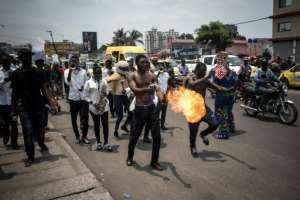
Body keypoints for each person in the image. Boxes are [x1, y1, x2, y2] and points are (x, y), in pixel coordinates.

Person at [11, 49, 57, 164]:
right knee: (28, 131)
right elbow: (15, 93)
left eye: (29, 56)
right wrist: (13, 111)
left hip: (38, 105)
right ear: (20, 59)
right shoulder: (16, 74)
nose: (28, 58)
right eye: (25, 56)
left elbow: (44, 89)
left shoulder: (38, 72)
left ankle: (41, 143)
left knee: (40, 129)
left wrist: (52, 103)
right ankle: (30, 155)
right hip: (24, 107)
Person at [127, 55, 164, 171]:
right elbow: (135, 90)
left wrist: (162, 98)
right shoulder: (132, 75)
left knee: (157, 137)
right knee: (134, 136)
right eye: (143, 62)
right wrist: (149, 89)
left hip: (152, 108)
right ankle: (130, 156)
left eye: (147, 62)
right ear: (137, 64)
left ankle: (154, 161)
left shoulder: (152, 75)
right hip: (139, 109)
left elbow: (158, 90)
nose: (146, 64)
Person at [185, 62, 229, 156]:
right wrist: (206, 77)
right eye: (202, 71)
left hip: (203, 108)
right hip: (192, 110)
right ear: (196, 70)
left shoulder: (205, 80)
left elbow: (217, 87)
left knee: (215, 124)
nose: (204, 73)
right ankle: (193, 147)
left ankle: (203, 134)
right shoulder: (190, 77)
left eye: (204, 71)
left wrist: (229, 89)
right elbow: (192, 84)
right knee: (193, 131)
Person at [84, 65, 112, 151]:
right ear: (93, 73)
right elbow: (85, 95)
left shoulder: (104, 81)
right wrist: (91, 102)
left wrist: (105, 93)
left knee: (105, 125)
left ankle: (106, 143)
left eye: (100, 72)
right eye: (97, 73)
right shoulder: (88, 82)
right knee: (96, 125)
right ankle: (99, 142)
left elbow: (107, 91)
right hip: (94, 107)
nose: (99, 74)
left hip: (104, 106)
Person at [212, 52, 238, 139]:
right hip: (231, 95)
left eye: (218, 59)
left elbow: (214, 82)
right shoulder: (232, 72)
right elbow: (237, 83)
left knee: (220, 113)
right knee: (229, 111)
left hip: (222, 96)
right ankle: (231, 126)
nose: (217, 61)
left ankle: (224, 132)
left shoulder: (220, 70)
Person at [64, 55, 90, 144]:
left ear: (78, 62)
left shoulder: (83, 71)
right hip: (73, 98)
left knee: (85, 117)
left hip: (83, 98)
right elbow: (67, 82)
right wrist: (71, 71)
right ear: (70, 62)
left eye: (75, 61)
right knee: (73, 118)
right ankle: (77, 136)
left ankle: (84, 136)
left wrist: (83, 87)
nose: (74, 63)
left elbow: (87, 82)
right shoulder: (67, 71)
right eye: (72, 61)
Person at [107, 61, 131, 138]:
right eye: (124, 68)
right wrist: (111, 79)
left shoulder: (126, 75)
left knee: (131, 112)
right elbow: (107, 80)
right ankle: (116, 131)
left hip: (124, 95)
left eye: (126, 68)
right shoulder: (115, 75)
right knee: (120, 116)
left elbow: (129, 82)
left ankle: (124, 126)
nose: (125, 70)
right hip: (117, 96)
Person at [0, 54, 18, 149]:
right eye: (5, 63)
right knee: (5, 124)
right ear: (2, 63)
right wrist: (5, 80)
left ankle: (14, 142)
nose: (6, 65)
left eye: (8, 63)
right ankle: (6, 136)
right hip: (2, 103)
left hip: (12, 103)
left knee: (14, 123)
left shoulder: (14, 72)